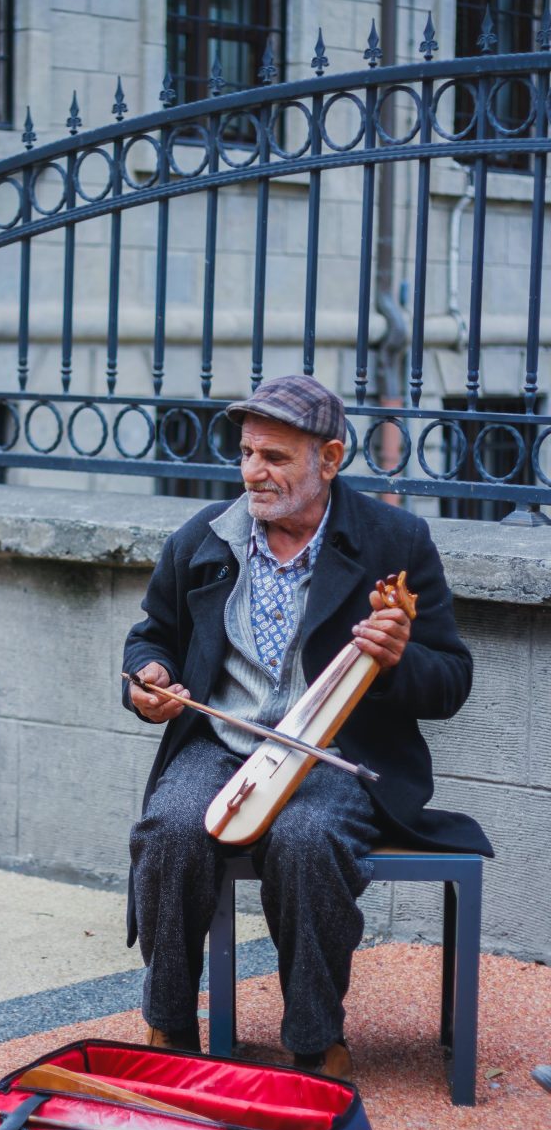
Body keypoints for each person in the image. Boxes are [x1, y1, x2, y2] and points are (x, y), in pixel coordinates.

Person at [122, 374, 493, 1080]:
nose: (253, 473)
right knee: (170, 827)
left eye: (276, 458)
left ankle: (314, 1040)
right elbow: (151, 641)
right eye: (247, 453)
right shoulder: (204, 538)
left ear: (329, 457)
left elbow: (451, 679)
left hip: (334, 752)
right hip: (222, 741)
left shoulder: (393, 540)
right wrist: (152, 683)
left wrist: (394, 662)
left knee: (306, 837)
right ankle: (168, 1023)